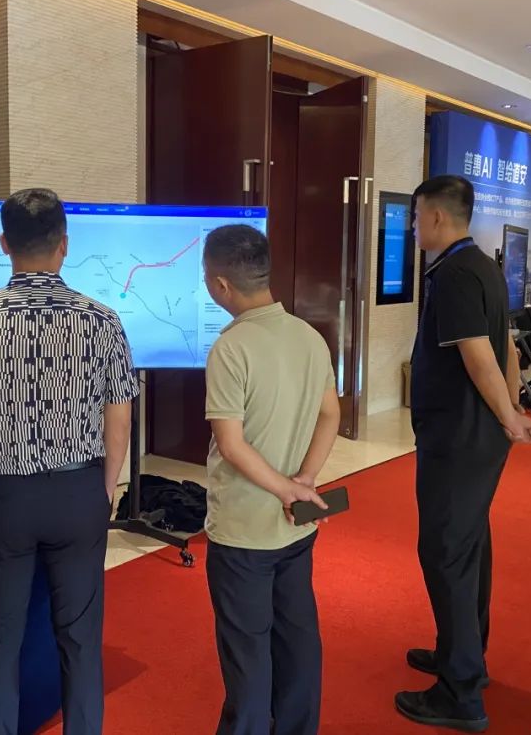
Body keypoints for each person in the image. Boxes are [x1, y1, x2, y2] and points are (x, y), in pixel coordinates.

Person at [0, 188, 140, 735]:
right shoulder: (102, 321)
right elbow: (119, 418)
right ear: (64, 245)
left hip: (4, 496)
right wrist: (106, 487)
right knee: (80, 637)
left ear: (3, 244)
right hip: (79, 491)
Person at [398, 175, 531, 733]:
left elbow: (480, 351)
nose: (413, 227)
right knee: (468, 544)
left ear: (436, 216)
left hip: (458, 436)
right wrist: (511, 408)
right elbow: (506, 344)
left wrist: (508, 414)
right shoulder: (480, 264)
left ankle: (460, 693)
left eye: (416, 217)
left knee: (446, 552)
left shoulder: (455, 273)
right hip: (473, 434)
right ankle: (462, 653)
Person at [201, 225, 339, 735]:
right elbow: (331, 413)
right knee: (297, 640)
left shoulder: (230, 347)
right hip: (295, 524)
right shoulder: (308, 335)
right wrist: (304, 481)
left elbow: (231, 445)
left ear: (221, 285)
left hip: (243, 529)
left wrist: (285, 488)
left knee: (247, 653)